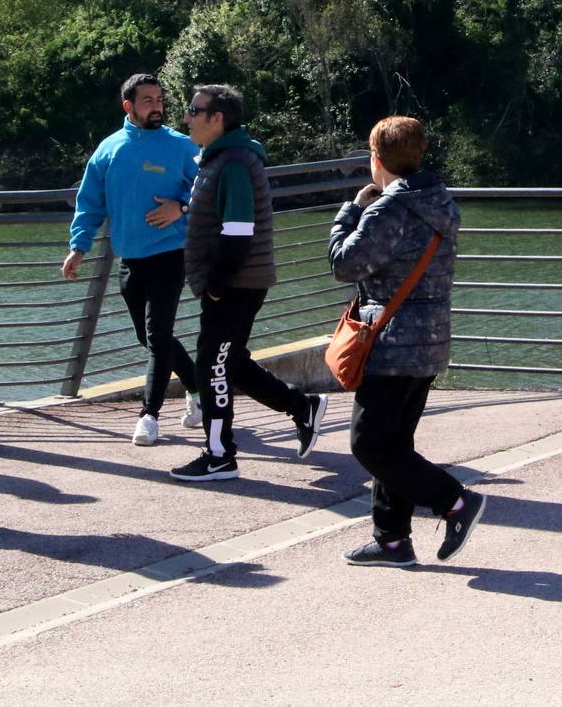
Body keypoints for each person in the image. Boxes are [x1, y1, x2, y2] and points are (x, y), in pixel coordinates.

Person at [330, 116, 484, 567]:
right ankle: (392, 540)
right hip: (430, 340)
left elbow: (344, 264)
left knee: (368, 444)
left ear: (375, 158)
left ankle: (454, 502)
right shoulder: (440, 201)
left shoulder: (387, 210)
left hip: (392, 342)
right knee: (394, 444)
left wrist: (351, 212)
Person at [170, 85, 328, 482]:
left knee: (211, 363)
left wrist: (218, 283)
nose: (186, 117)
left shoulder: (235, 162)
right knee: (231, 361)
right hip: (233, 281)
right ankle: (301, 406)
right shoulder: (219, 159)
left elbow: (239, 229)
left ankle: (220, 455)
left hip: (236, 283)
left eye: (193, 110)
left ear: (216, 118)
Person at [65, 73, 203, 446]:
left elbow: (209, 188)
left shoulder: (182, 146)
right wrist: (79, 247)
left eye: (159, 99)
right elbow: (90, 202)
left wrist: (182, 207)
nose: (157, 106)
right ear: (129, 106)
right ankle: (198, 391)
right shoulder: (109, 150)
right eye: (148, 100)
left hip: (170, 254)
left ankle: (150, 416)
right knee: (151, 337)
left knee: (158, 336)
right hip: (130, 259)